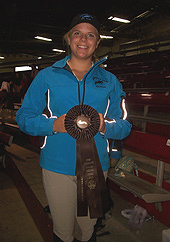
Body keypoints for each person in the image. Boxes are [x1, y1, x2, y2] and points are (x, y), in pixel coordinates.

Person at [16, 13, 132, 242]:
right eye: (77, 33)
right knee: (63, 232)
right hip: (56, 166)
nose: (83, 39)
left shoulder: (110, 81)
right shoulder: (46, 77)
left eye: (91, 35)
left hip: (95, 167)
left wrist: (103, 126)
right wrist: (53, 125)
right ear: (68, 39)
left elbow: (125, 126)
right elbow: (24, 118)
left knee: (87, 231)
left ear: (97, 42)